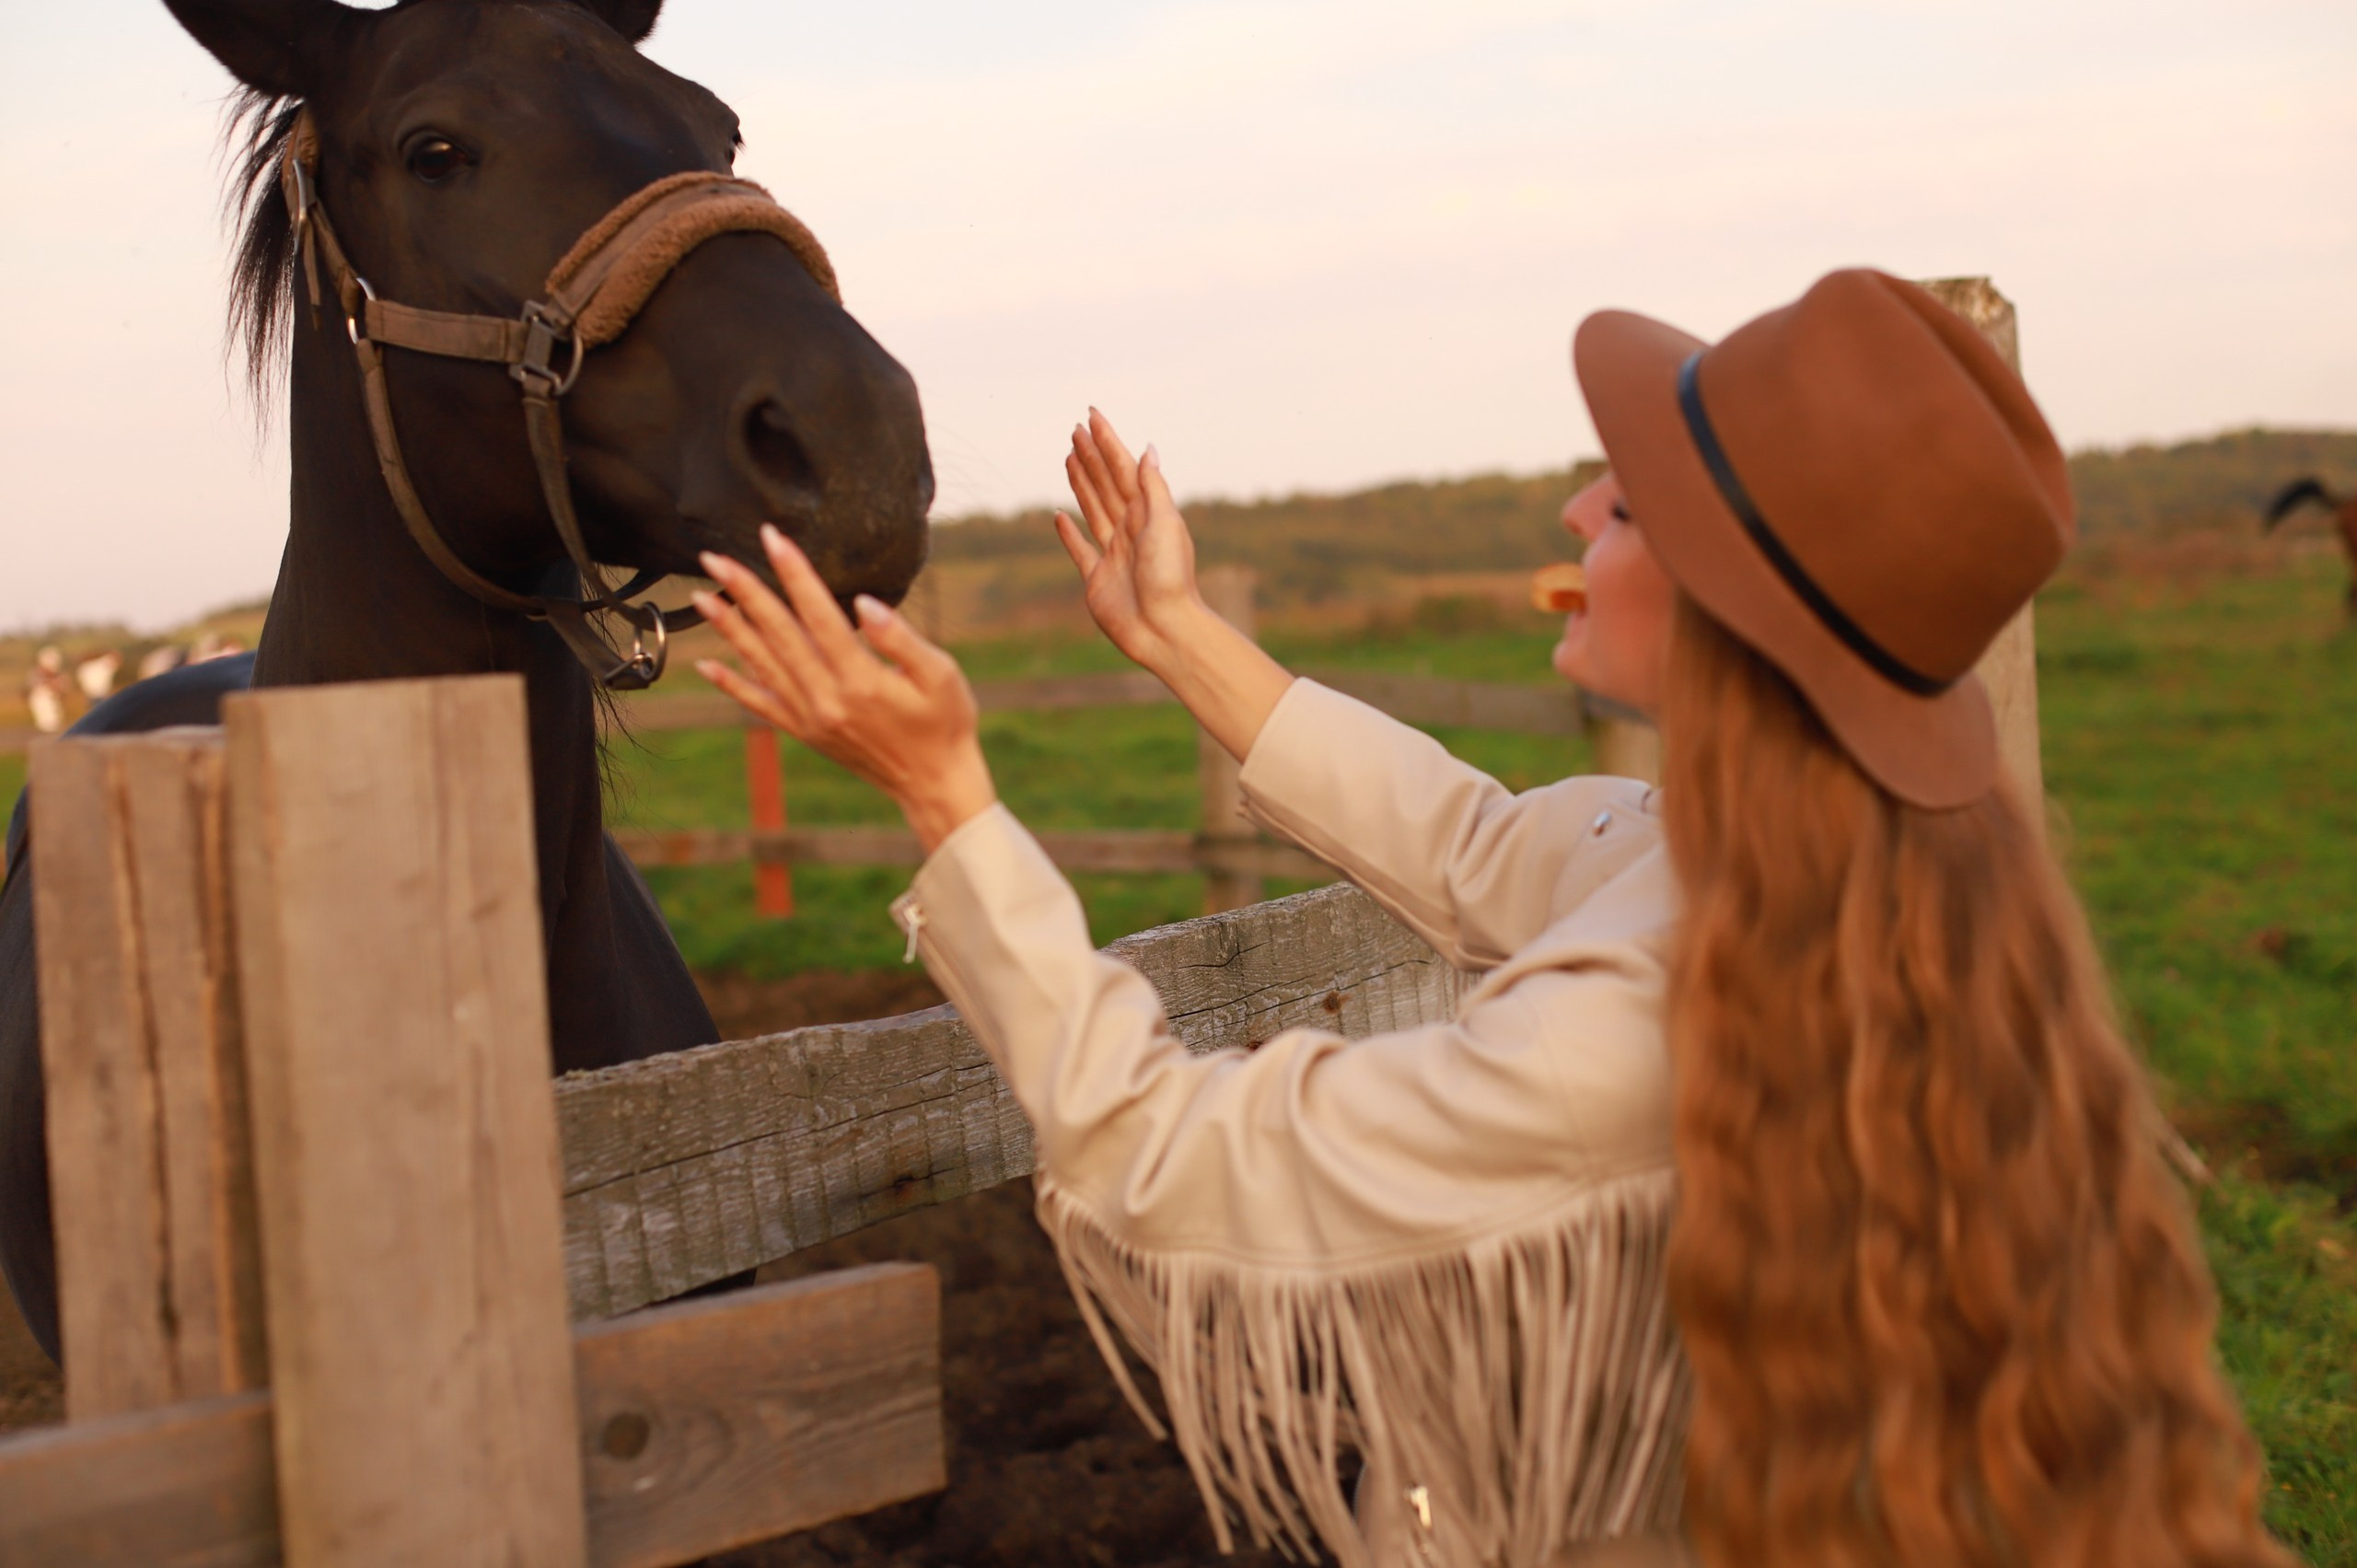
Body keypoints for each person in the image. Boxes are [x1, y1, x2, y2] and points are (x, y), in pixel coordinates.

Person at [694, 271, 2292, 1568]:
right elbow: (1473, 845)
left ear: (1735, 616)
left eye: (1642, 502)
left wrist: (948, 803)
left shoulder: (1651, 1011)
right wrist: (1180, 637)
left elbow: (1162, 1154)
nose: (1585, 501)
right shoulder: (1826, 875)